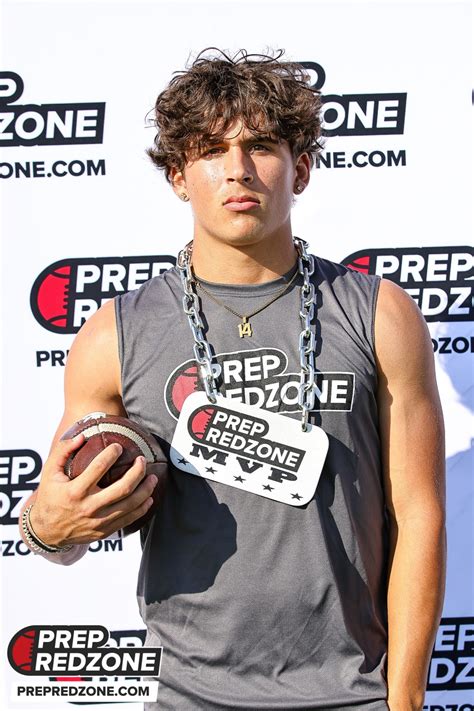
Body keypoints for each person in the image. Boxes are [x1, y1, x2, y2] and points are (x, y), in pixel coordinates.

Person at [19, 49, 446, 711]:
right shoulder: (113, 336)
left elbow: (418, 513)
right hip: (188, 695)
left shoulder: (379, 313)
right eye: (212, 149)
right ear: (178, 176)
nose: (238, 169)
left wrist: (406, 697)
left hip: (354, 693)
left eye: (261, 146)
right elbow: (63, 521)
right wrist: (46, 526)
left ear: (301, 169)